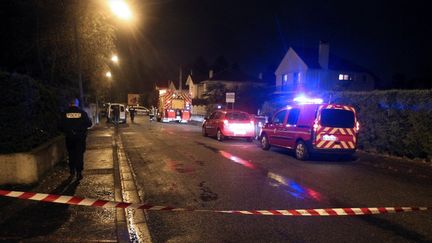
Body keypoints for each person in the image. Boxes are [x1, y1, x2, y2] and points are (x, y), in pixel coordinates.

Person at [59, 98, 92, 180]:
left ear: (70, 103)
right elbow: (89, 123)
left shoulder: (64, 113)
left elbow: (59, 126)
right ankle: (79, 173)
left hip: (69, 138)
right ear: (77, 103)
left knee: (71, 155)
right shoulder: (82, 113)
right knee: (79, 155)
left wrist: (67, 131)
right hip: (80, 138)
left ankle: (72, 172)